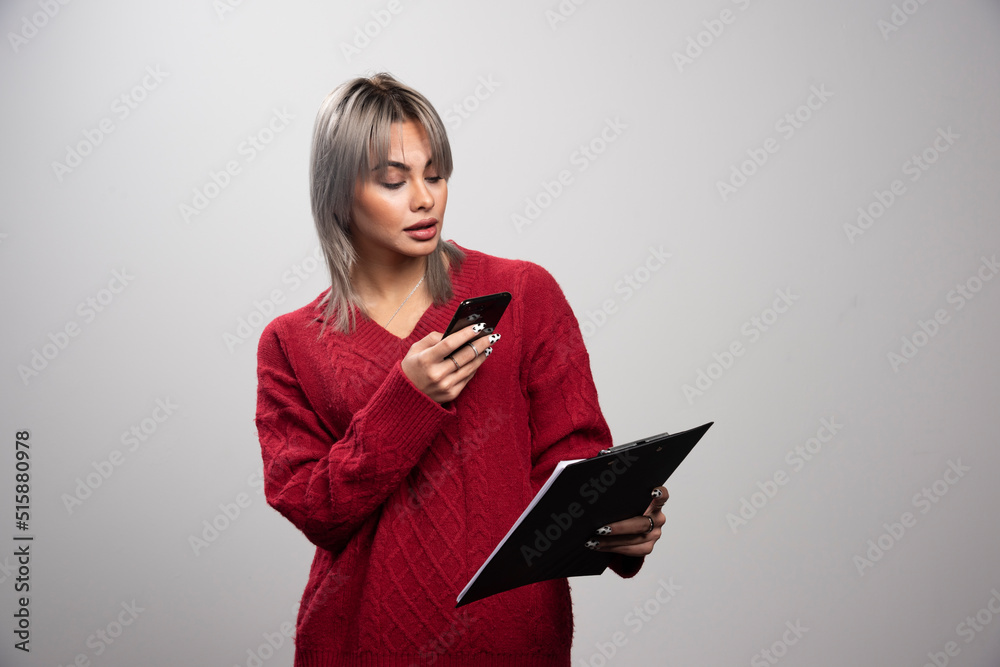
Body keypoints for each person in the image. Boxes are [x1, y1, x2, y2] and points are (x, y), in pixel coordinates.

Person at [255, 72, 669, 667]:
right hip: (362, 645)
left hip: (514, 643)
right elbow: (316, 510)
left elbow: (573, 470)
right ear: (338, 193)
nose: (424, 199)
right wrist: (406, 398)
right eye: (393, 181)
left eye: (435, 175)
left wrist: (619, 526)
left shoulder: (523, 292)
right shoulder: (291, 342)